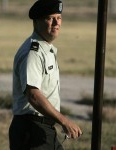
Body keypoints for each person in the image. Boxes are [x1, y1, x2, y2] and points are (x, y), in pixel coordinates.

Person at [9, 0, 82, 149]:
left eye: (59, 17)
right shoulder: (33, 53)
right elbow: (33, 95)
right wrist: (64, 121)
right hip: (31, 129)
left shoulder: (46, 49)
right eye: (50, 18)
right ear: (37, 21)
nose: (56, 23)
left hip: (44, 128)